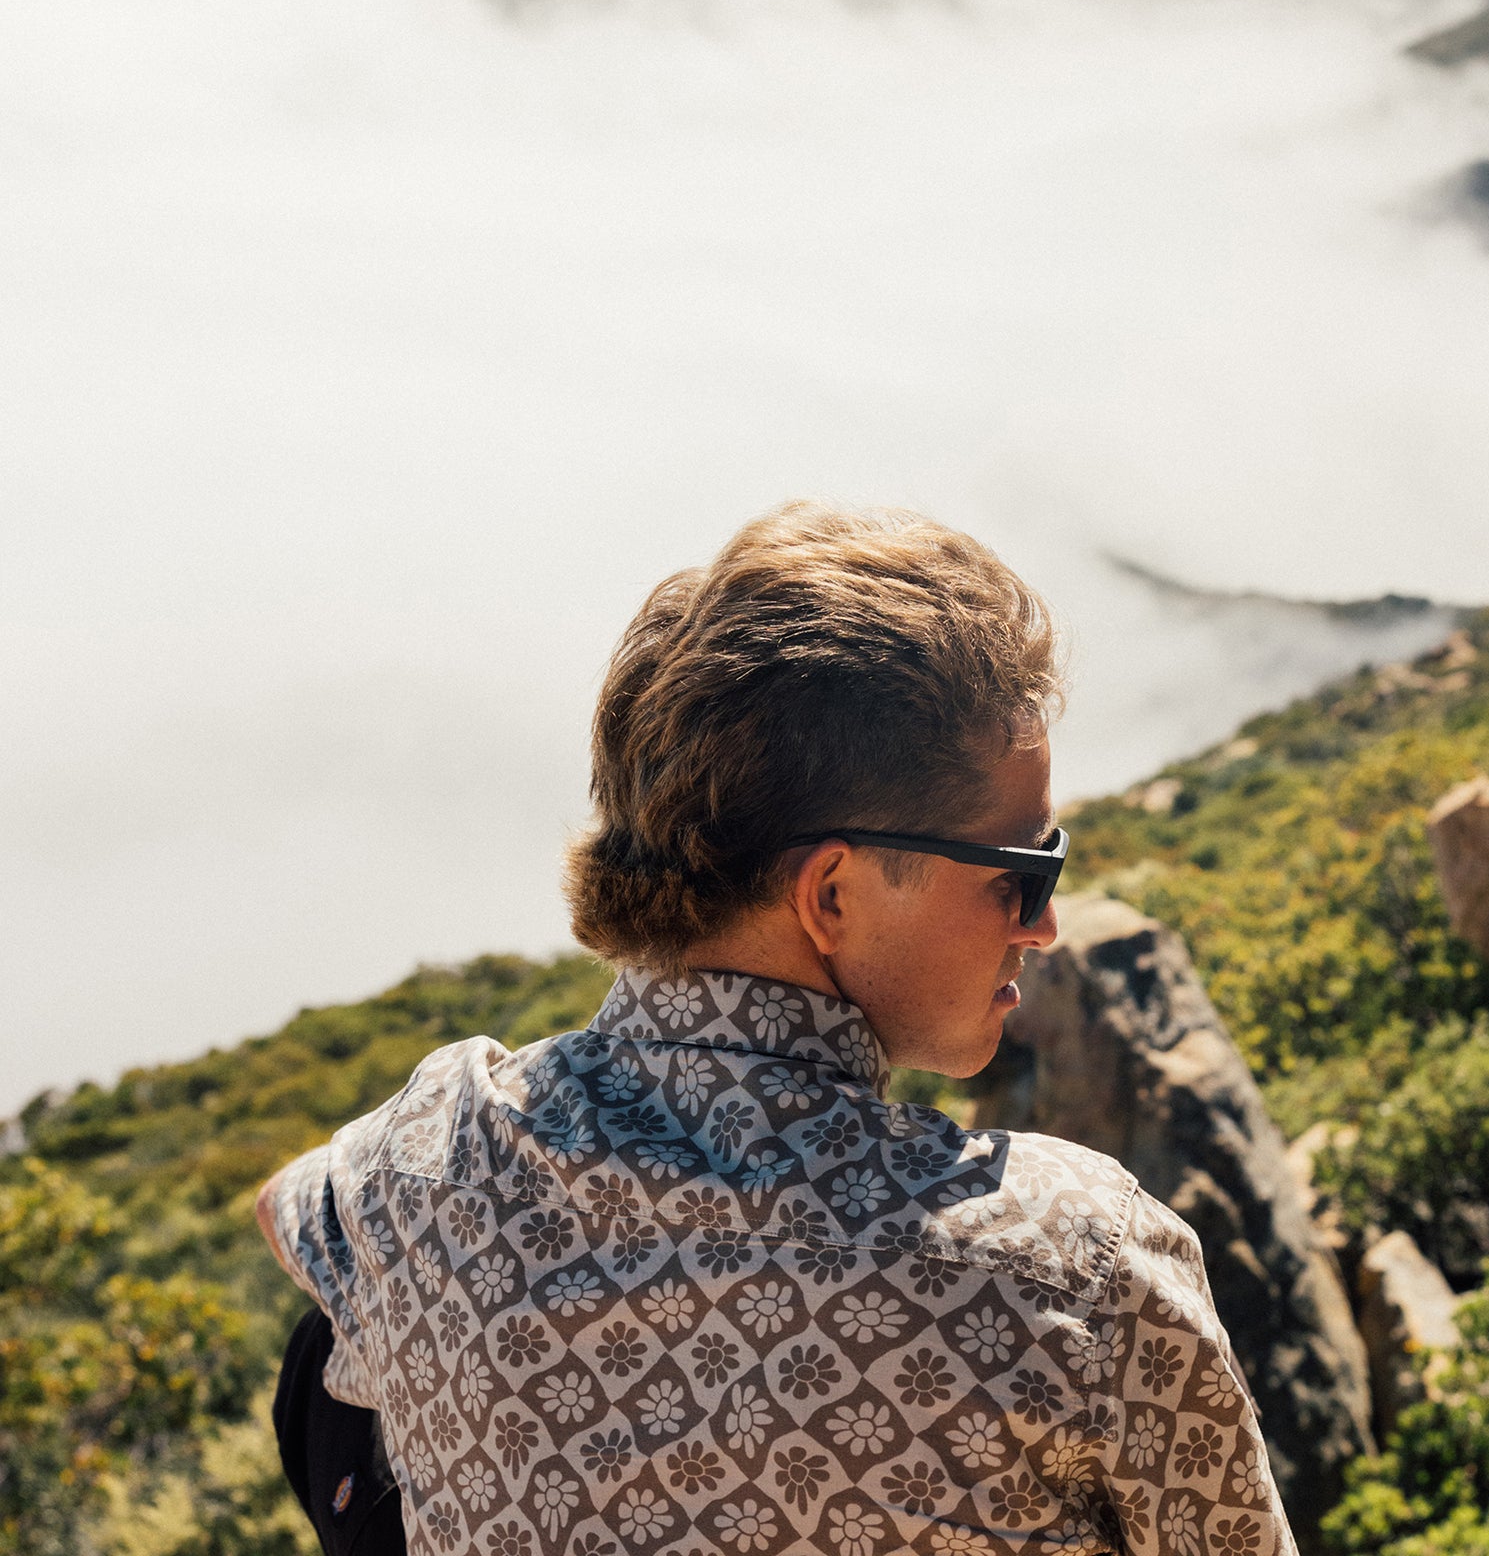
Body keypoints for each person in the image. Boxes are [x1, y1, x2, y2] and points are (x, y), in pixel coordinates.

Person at [258, 503, 1296, 1556]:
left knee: (324, 1363)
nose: (1044, 924)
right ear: (832, 895)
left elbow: (289, 1206)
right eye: (1023, 872)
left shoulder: (429, 1155)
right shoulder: (1075, 1265)